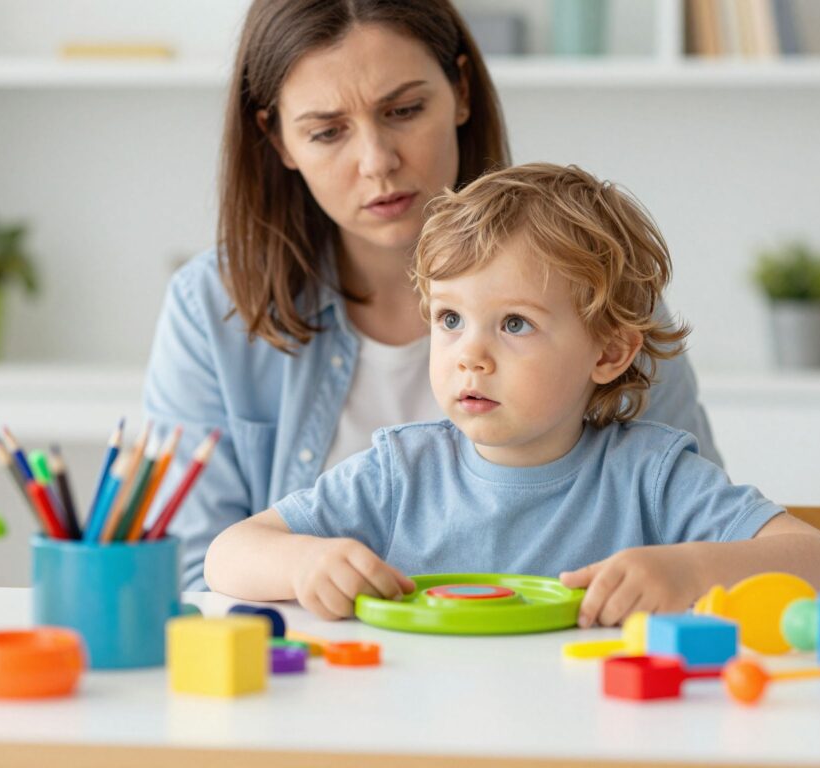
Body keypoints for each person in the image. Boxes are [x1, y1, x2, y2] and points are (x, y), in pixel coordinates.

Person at [144, 0, 721, 591]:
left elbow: (711, 561)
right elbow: (191, 576)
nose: (377, 162)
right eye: (326, 131)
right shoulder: (210, 305)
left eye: (405, 110)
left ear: (461, 91)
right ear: (278, 139)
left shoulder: (597, 289)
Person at [203, 163, 820, 626]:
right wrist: (304, 563)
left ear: (608, 351)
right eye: (450, 320)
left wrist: (687, 572)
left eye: (515, 324)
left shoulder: (652, 476)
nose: (470, 355)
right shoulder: (399, 473)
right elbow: (226, 555)